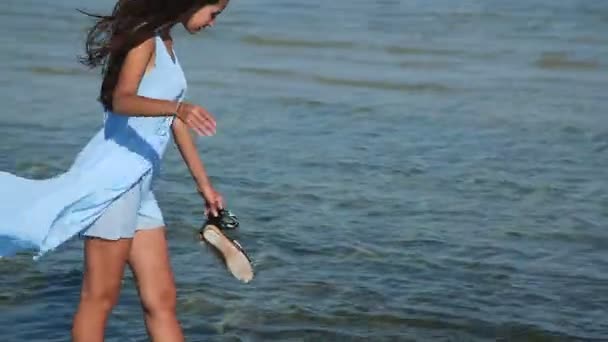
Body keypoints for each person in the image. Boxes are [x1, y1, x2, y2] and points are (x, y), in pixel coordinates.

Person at [0, 0, 231, 341]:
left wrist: (204, 185)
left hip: (140, 186)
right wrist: (178, 107)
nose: (213, 23)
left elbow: (171, 119)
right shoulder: (144, 40)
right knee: (99, 298)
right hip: (113, 183)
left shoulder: (166, 41)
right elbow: (121, 100)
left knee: (161, 299)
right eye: (214, 13)